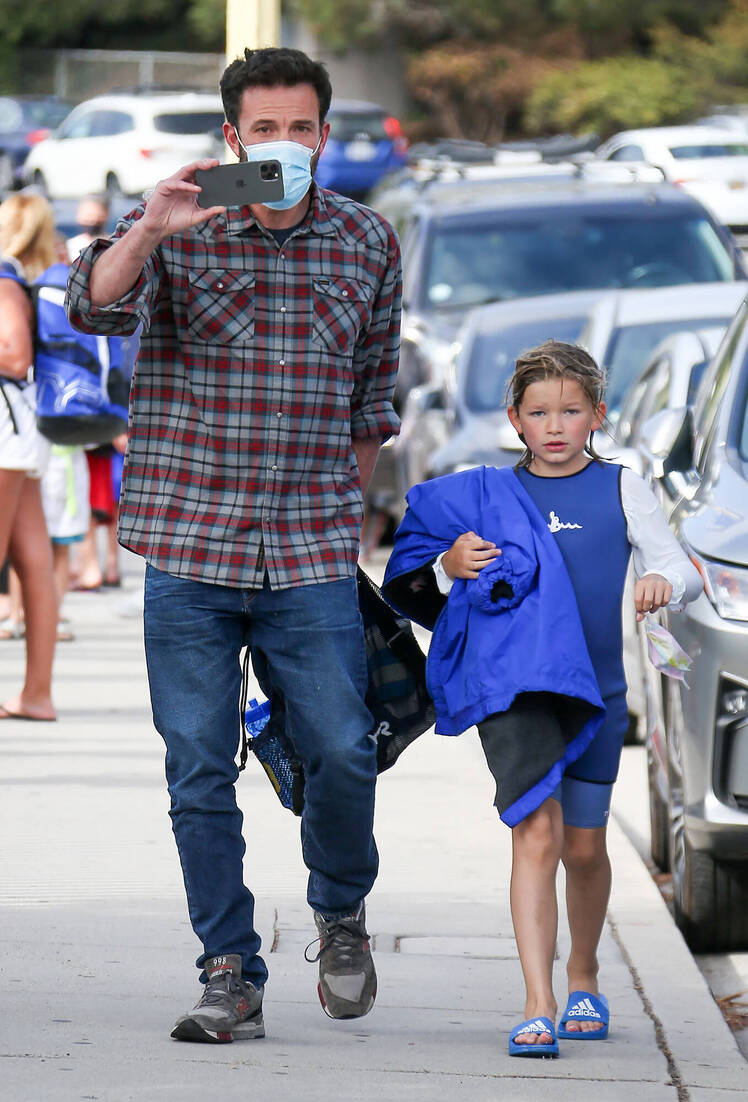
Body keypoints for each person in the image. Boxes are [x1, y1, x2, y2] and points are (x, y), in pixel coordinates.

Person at [66, 47, 402, 1043]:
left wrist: (350, 504)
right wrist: (148, 229)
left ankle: (339, 909)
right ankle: (230, 971)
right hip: (188, 543)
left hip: (307, 551)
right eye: (266, 130)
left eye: (303, 129)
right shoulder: (176, 223)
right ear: (233, 138)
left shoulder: (366, 242)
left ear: (325, 137)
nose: (285, 146)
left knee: (343, 749)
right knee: (197, 769)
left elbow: (371, 398)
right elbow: (91, 304)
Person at [383, 340, 702, 1058]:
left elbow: (680, 568)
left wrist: (662, 585)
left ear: (597, 414)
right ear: (515, 420)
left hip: (597, 695)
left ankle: (584, 973)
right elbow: (412, 581)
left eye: (570, 410)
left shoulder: (624, 488)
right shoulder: (486, 497)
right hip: (520, 691)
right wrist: (448, 563)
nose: (554, 425)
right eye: (538, 412)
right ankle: (538, 1000)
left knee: (585, 848)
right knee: (536, 834)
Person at [0, 193, 58, 721]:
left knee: (25, 558)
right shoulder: (22, 275)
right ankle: (35, 693)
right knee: (32, 558)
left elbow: (14, 355)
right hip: (20, 429)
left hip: (5, 426)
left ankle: (37, 692)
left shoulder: (3, 276)